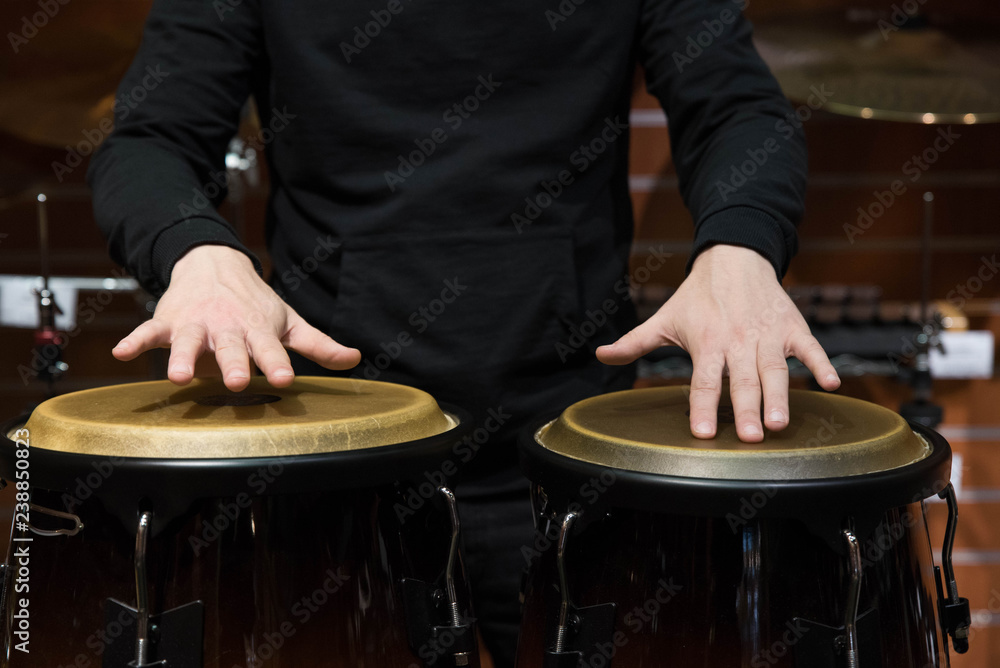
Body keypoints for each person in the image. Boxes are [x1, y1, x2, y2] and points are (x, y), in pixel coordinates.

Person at [88, 0, 840, 663]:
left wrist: (741, 246)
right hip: (339, 460)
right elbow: (150, 138)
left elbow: (738, 108)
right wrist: (197, 249)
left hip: (567, 453)